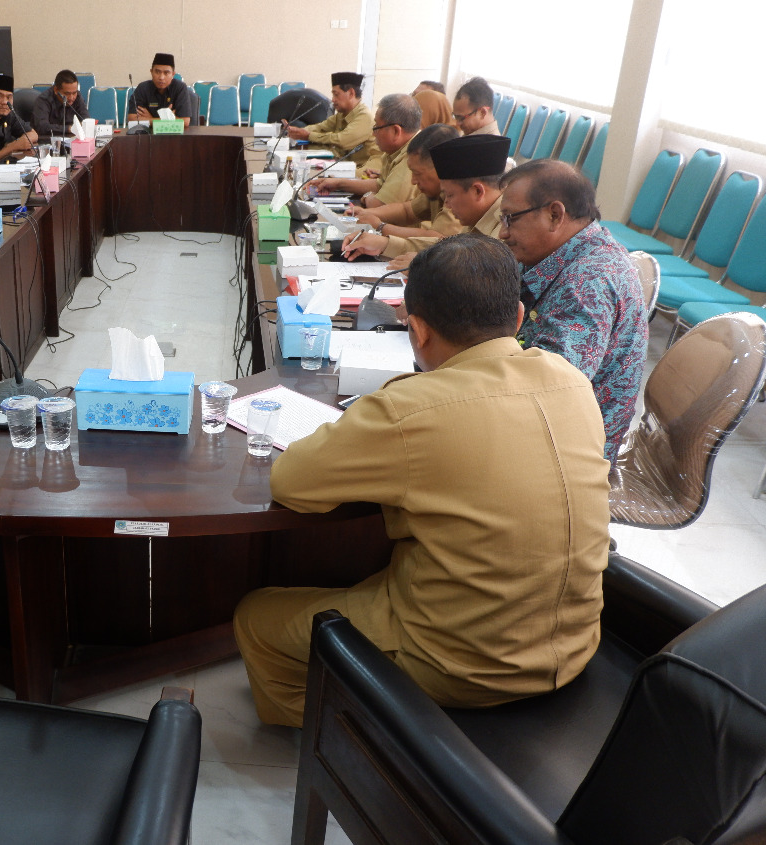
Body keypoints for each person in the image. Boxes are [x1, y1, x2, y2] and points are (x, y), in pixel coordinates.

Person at [234, 234, 611, 728]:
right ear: (518, 318)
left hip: (465, 668)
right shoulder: (571, 380)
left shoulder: (410, 408)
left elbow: (290, 482)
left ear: (416, 332)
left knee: (256, 617)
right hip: (575, 645)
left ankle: (355, 738)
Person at [500, 159, 647, 463]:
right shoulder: (577, 252)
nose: (503, 233)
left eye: (510, 219)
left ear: (555, 215)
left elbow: (551, 393)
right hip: (549, 429)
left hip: (565, 455)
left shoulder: (588, 283)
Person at [342, 133, 508, 268]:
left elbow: (474, 271)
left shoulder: (506, 229)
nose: (447, 204)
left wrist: (426, 268)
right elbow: (446, 246)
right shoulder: (478, 215)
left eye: (450, 195)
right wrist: (384, 244)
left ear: (477, 191)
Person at [341, 125, 464, 261]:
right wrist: (369, 214)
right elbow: (407, 210)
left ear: (442, 168)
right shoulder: (438, 190)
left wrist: (381, 226)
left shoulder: (460, 193)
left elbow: (439, 240)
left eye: (417, 174)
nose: (413, 181)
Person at [310, 93, 421, 207]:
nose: (373, 133)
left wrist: (367, 195)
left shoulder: (412, 156)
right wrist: (338, 183)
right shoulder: (396, 151)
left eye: (376, 127)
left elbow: (379, 204)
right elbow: (379, 185)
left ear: (396, 131)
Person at [284, 72, 378, 168]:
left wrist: (308, 136)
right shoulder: (341, 115)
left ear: (351, 93)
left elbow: (342, 141)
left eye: (336, 95)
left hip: (362, 171)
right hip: (341, 165)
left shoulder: (364, 116)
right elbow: (321, 127)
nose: (333, 100)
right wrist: (298, 132)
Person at [128, 53, 195, 128]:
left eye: (166, 73)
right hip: (149, 135)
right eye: (157, 72)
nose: (161, 77)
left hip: (174, 135)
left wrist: (150, 119)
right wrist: (167, 119)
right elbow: (132, 119)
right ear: (151, 72)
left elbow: (185, 122)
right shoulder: (142, 88)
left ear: (173, 74)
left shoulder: (180, 88)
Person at [31, 70, 90, 138]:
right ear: (56, 90)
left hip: (70, 140)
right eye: (67, 94)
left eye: (74, 93)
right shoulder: (43, 100)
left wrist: (84, 125)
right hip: (47, 142)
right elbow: (42, 127)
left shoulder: (78, 97)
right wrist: (69, 128)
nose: (71, 98)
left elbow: (86, 120)